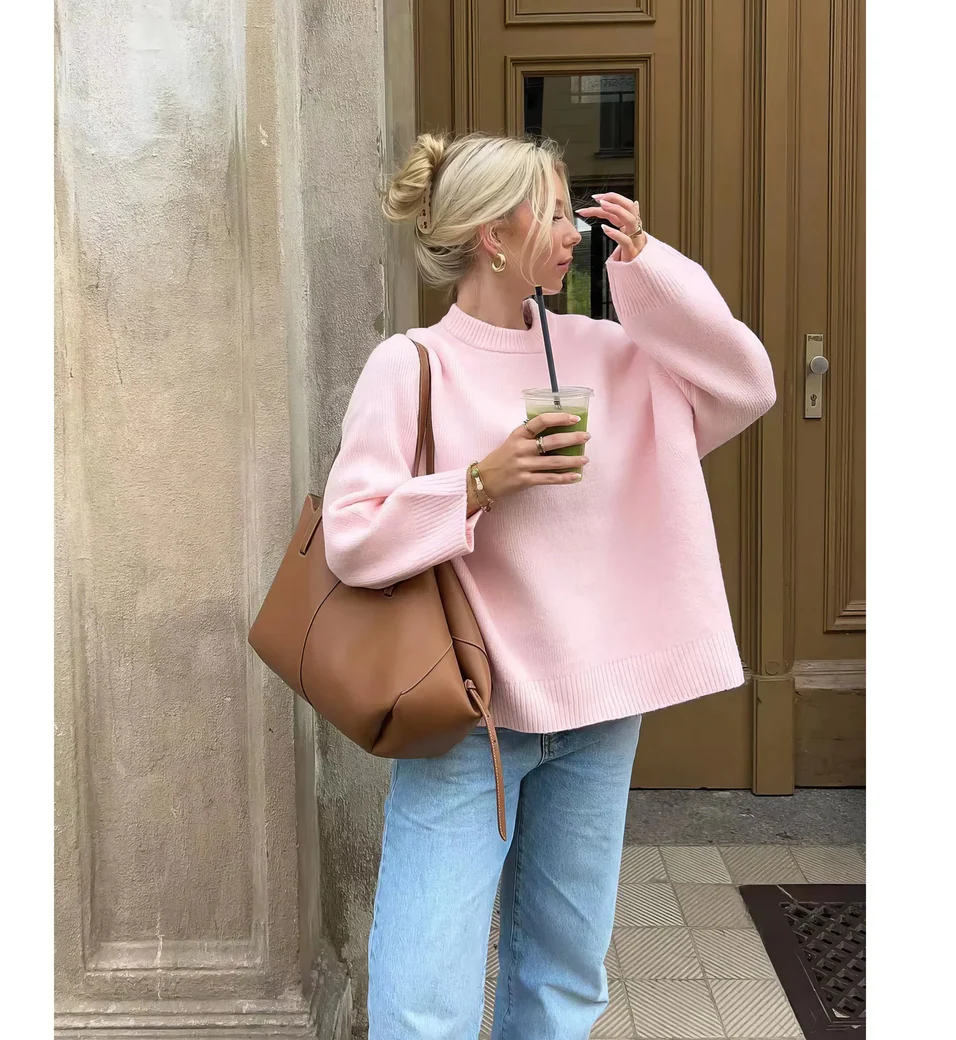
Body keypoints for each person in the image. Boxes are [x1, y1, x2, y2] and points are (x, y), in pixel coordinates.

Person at [321, 132, 777, 1040]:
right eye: (559, 212)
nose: (576, 230)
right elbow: (350, 536)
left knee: (564, 979)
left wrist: (647, 271)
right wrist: (481, 483)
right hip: (469, 717)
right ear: (496, 232)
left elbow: (744, 382)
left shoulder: (607, 353)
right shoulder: (412, 364)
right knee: (422, 999)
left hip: (599, 711)